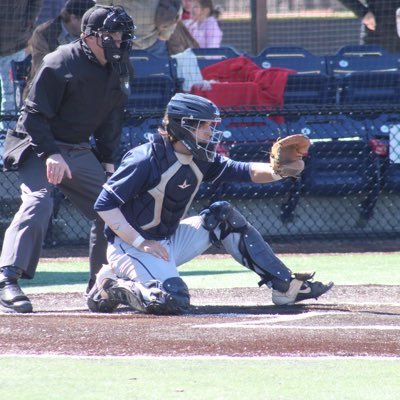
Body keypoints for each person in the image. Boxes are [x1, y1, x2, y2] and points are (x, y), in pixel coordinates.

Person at [86, 93, 334, 315]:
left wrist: (279, 171)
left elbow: (243, 171)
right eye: (205, 126)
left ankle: (284, 286)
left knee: (223, 215)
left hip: (167, 241)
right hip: (131, 247)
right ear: (184, 125)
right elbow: (104, 204)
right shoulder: (144, 159)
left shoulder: (200, 156)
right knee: (171, 299)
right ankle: (110, 284)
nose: (210, 132)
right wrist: (142, 242)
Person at [0, 5, 135, 313]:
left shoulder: (120, 65)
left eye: (122, 34)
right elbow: (32, 117)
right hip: (36, 144)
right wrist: (50, 154)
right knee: (40, 200)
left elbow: (111, 118)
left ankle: (101, 286)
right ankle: (7, 278)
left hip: (76, 148)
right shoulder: (59, 61)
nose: (119, 39)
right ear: (89, 37)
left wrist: (108, 162)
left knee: (110, 208)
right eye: (112, 34)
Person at [28, 0, 96, 86]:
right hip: (50, 88)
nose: (92, 26)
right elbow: (42, 69)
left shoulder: (93, 34)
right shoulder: (43, 34)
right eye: (88, 22)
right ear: (73, 18)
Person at [97, 0, 198, 56]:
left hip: (121, 43)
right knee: (153, 81)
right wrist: (164, 35)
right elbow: (175, 9)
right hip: (152, 43)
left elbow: (100, 9)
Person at [0, 0, 43, 130]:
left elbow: (35, 4)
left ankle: (8, 132)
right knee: (11, 93)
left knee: (12, 92)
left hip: (15, 43)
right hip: (17, 38)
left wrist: (26, 27)